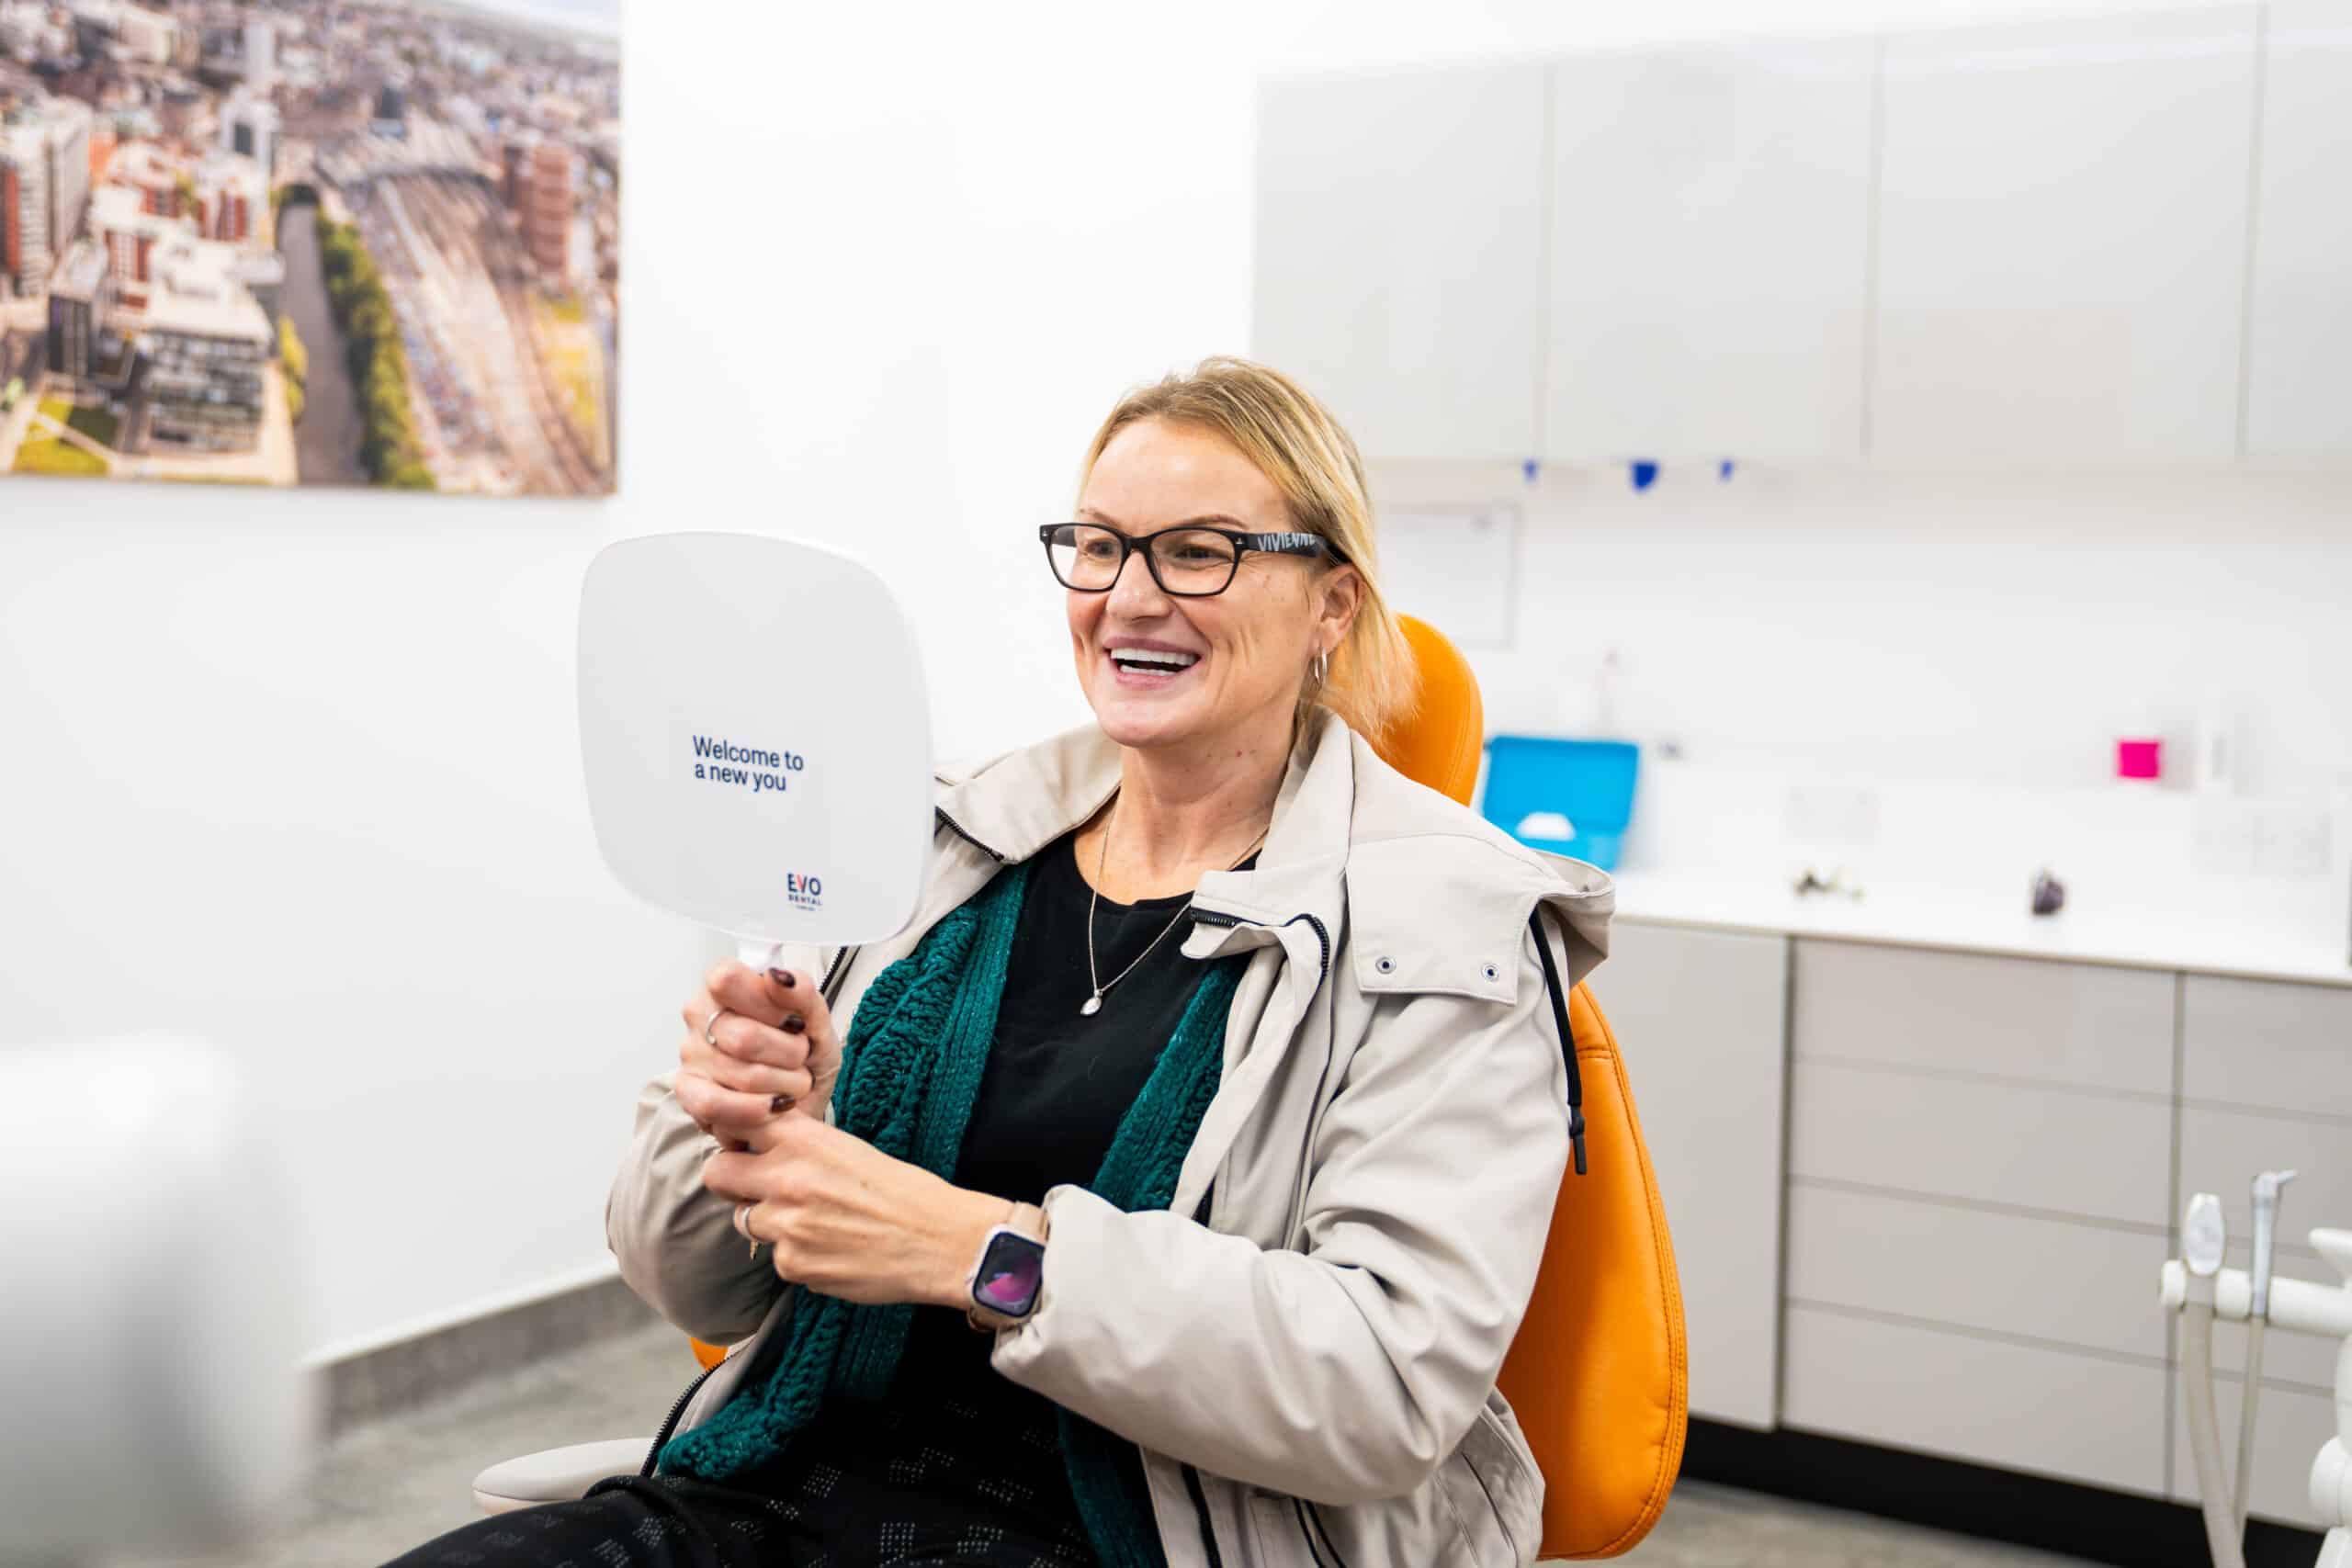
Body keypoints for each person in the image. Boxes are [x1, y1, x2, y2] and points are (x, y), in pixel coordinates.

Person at [385, 357, 1611, 1568]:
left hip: (1128, 1540)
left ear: (1332, 605)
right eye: (1101, 546)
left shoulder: (1449, 927)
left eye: (1199, 553)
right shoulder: (928, 845)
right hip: (772, 1489)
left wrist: (980, 1252)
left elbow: (1384, 1387)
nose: (1131, 598)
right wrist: (734, 1121)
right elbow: (701, 1294)